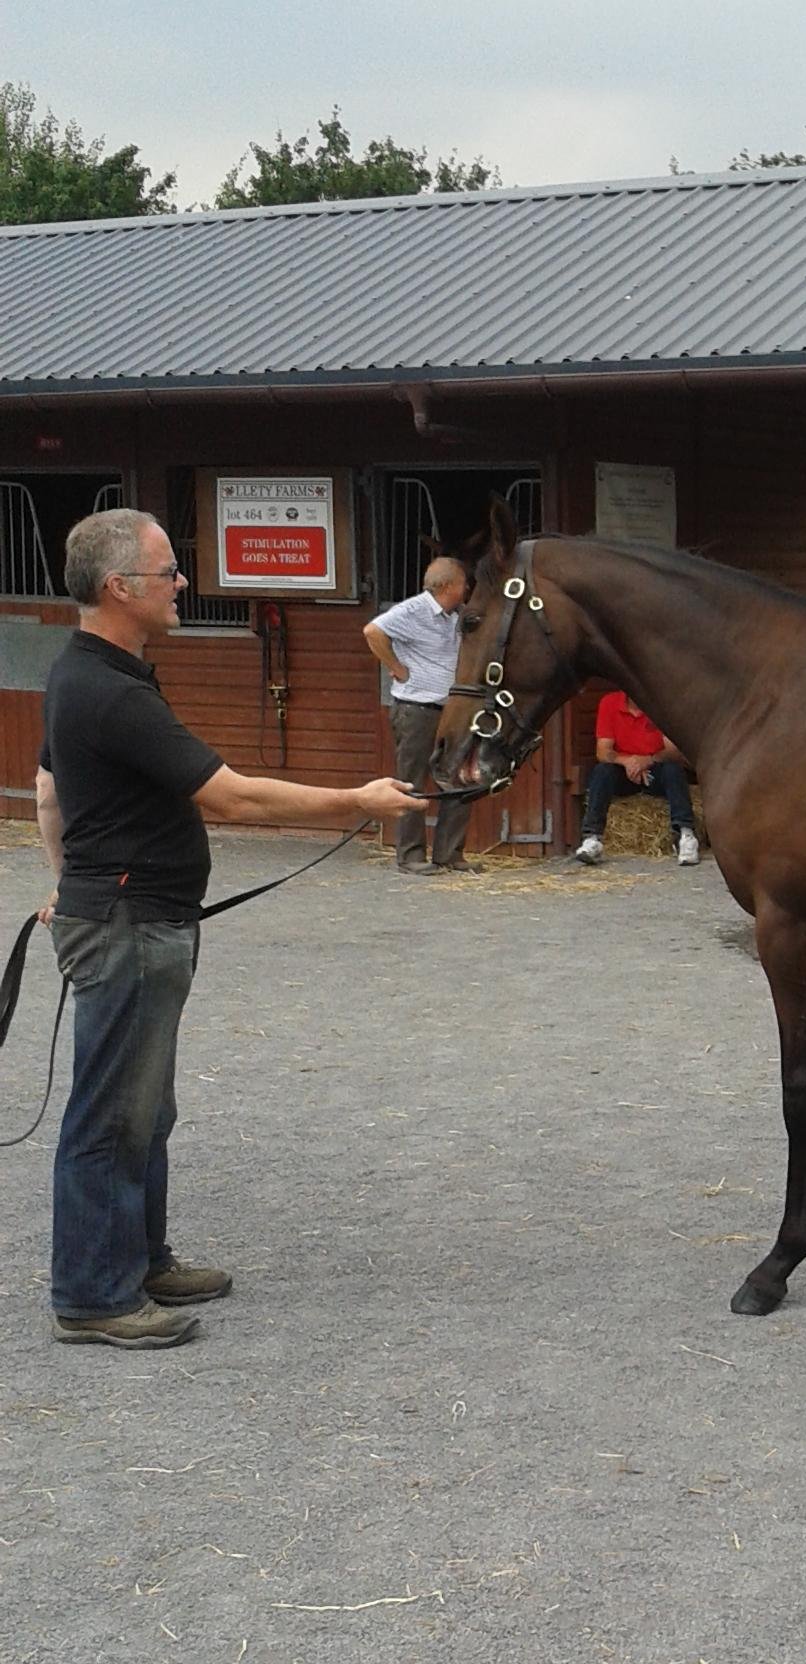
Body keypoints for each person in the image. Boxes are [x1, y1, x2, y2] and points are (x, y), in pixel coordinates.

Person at [33, 508, 425, 1350]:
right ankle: (93, 1296)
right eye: (169, 571)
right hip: (130, 923)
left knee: (146, 1108)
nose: (183, 584)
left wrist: (68, 888)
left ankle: (138, 1259)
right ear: (118, 588)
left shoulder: (98, 673)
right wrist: (356, 800)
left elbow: (50, 792)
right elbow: (231, 796)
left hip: (132, 915)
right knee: (111, 1113)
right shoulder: (108, 690)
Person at [362, 557, 482, 875]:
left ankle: (449, 853)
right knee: (411, 782)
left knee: (457, 780)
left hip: (451, 710)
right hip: (418, 709)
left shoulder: (454, 616)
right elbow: (373, 631)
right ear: (447, 586)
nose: (467, 587)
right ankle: (411, 855)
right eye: (463, 582)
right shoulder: (413, 610)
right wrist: (397, 668)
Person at [573, 689, 699, 867]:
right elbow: (603, 751)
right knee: (602, 772)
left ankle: (686, 835)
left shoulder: (661, 704)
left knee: (673, 770)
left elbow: (673, 751)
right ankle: (592, 838)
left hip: (654, 769)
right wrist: (627, 762)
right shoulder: (610, 703)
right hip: (625, 771)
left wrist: (645, 761)